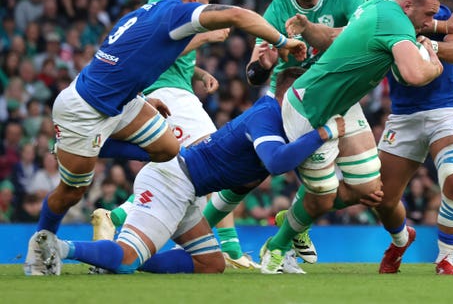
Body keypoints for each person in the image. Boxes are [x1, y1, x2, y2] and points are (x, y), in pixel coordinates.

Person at [24, 0, 307, 276]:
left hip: (121, 101)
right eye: (208, 0)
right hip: (85, 109)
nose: (208, 5)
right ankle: (43, 244)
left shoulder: (148, 10)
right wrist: (283, 42)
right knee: (72, 191)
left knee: (168, 148)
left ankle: (90, 150)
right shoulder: (177, 14)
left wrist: (139, 96)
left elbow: (129, 55)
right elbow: (239, 16)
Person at [31, 67, 345, 275]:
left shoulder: (284, 121)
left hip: (188, 188)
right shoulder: (266, 115)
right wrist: (322, 135)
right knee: (127, 260)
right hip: (172, 181)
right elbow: (276, 162)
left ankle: (110, 257)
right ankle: (59, 247)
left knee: (210, 263)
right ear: (292, 95)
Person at [259, 0, 445, 274]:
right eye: (429, 14)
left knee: (368, 187)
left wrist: (308, 28)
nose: (429, 22)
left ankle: (296, 216)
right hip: (310, 107)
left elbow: (336, 37)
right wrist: (433, 65)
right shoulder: (396, 22)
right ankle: (277, 247)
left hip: (343, 105)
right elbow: (412, 75)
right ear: (408, 5)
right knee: (320, 201)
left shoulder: (374, 6)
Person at [90, 0, 258, 270]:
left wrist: (197, 72)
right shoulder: (171, 7)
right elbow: (165, 46)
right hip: (166, 93)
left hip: (175, 88)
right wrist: (206, 36)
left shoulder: (162, 5)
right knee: (216, 157)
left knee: (197, 169)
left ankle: (228, 251)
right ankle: (117, 215)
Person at [231, 0, 367, 264]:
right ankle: (280, 240)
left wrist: (317, 32)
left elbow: (368, 33)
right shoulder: (277, 10)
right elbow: (252, 74)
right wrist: (263, 65)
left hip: (338, 93)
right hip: (293, 100)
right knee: (257, 176)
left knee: (366, 187)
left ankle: (292, 219)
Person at [374, 0, 453, 276]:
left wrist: (431, 44)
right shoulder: (376, 17)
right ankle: (401, 240)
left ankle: (445, 259)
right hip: (403, 117)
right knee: (382, 198)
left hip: (447, 110)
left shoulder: (438, 12)